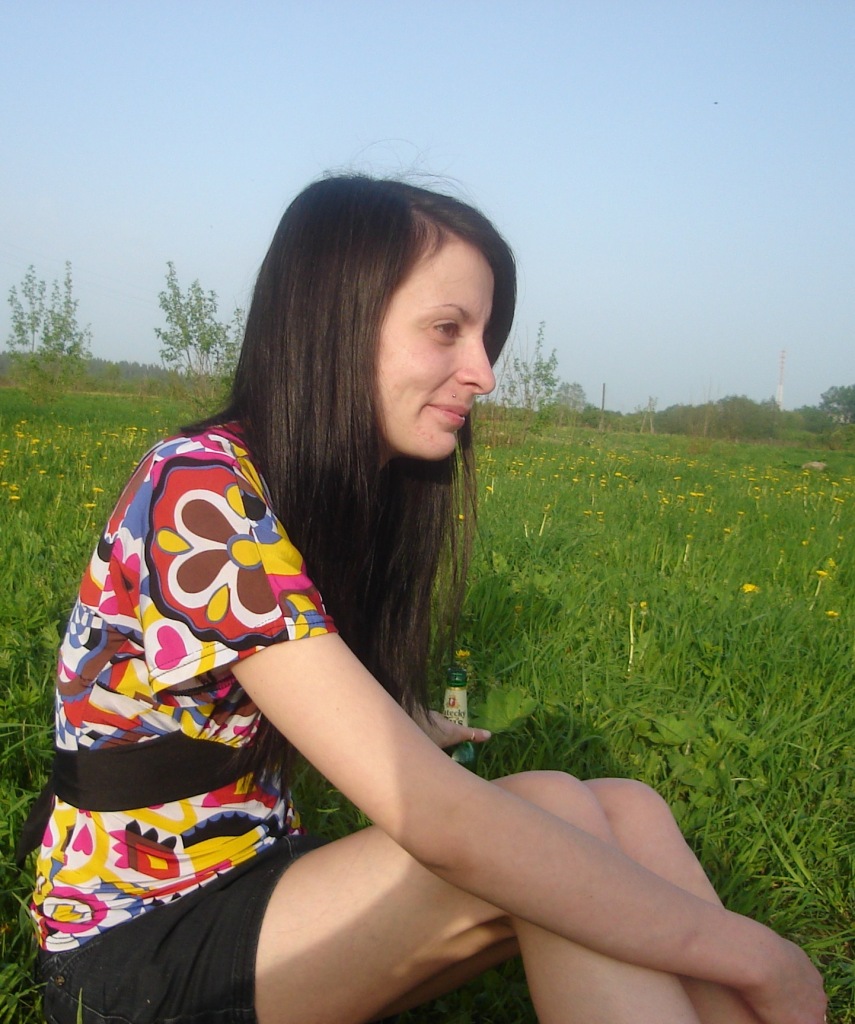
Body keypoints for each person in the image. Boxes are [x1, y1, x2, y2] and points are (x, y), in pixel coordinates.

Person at [29, 175, 826, 1024]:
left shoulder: (314, 487)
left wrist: (408, 717)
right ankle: (763, 988)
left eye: (485, 336)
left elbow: (292, 680)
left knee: (627, 806)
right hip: (134, 941)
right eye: (448, 330)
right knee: (546, 815)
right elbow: (442, 825)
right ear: (334, 323)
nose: (483, 374)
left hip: (257, 877)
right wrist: (756, 954)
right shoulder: (198, 490)